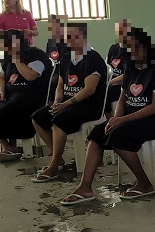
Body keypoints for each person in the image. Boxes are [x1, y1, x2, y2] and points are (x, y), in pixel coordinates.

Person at [60, 27, 155, 205]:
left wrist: (122, 120)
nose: (132, 52)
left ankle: (145, 183)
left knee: (118, 136)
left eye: (136, 48)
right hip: (131, 117)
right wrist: (116, 117)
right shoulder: (130, 67)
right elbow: (123, 96)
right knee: (98, 134)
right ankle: (85, 187)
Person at [31, 23, 106, 182]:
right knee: (38, 117)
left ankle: (53, 166)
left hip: (89, 105)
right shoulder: (66, 57)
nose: (69, 40)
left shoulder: (93, 59)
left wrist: (65, 105)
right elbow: (60, 84)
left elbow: (89, 90)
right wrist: (58, 100)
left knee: (59, 120)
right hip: (67, 103)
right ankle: (57, 157)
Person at [0, 29, 52, 162]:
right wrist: (0, 90)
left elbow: (30, 76)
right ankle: (7, 146)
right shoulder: (7, 58)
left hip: (31, 94)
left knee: (8, 110)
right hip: (10, 93)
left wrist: (17, 59)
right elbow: (1, 76)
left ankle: (12, 146)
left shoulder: (37, 55)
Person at [105, 19, 132, 116]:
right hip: (111, 82)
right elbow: (108, 69)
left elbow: (129, 75)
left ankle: (109, 119)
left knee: (106, 92)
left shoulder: (132, 51)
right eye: (119, 31)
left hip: (124, 85)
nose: (122, 33)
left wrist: (110, 83)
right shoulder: (113, 48)